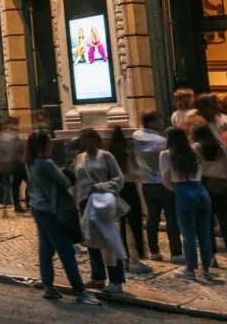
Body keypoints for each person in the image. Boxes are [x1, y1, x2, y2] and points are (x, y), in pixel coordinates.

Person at [25, 129, 102, 306]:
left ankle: (48, 287)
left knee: (45, 249)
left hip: (38, 209)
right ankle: (81, 291)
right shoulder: (46, 164)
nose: (52, 145)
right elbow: (66, 182)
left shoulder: (29, 163)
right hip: (52, 211)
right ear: (44, 145)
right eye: (50, 143)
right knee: (66, 251)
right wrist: (63, 171)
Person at [74, 128, 127, 293]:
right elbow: (76, 181)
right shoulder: (79, 158)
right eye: (84, 139)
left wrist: (102, 186)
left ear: (96, 140)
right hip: (85, 202)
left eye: (90, 139)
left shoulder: (106, 156)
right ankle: (98, 276)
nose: (86, 142)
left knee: (109, 239)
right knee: (91, 240)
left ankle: (116, 279)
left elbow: (118, 178)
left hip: (102, 202)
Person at [161, 126, 215, 280]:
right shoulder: (195, 150)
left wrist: (175, 188)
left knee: (188, 233)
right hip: (200, 189)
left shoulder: (166, 154)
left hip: (183, 191)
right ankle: (206, 269)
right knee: (204, 232)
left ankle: (190, 269)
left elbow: (165, 177)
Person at [134, 111, 182, 263]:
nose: (161, 123)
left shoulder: (136, 136)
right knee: (171, 218)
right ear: (151, 122)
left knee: (152, 218)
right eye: (159, 120)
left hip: (147, 183)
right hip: (164, 183)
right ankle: (175, 253)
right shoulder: (161, 141)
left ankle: (154, 251)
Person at [192, 124, 227, 270]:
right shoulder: (221, 148)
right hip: (221, 187)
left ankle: (212, 257)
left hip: (204, 186)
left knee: (207, 224)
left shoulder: (194, 148)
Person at [109, 126, 151, 273]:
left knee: (120, 226)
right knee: (135, 224)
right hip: (130, 188)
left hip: (117, 190)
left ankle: (123, 257)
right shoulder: (128, 152)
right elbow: (137, 171)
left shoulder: (110, 153)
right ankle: (137, 256)